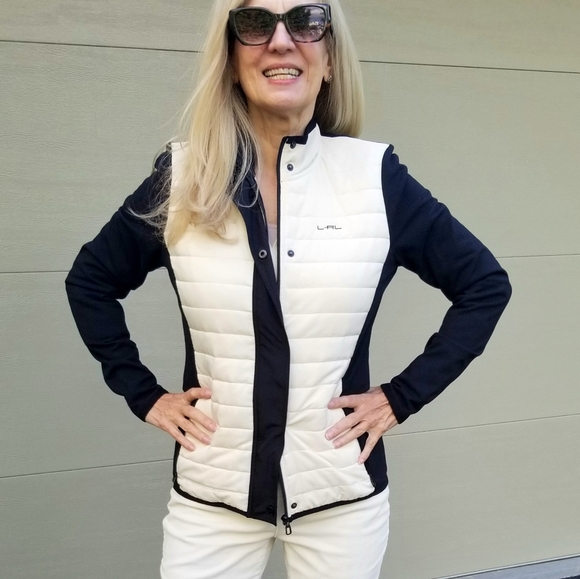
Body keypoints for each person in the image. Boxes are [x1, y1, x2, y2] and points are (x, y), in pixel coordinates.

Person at [65, 1, 512, 578]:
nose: (281, 41)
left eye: (305, 21)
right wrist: (144, 394)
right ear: (230, 60)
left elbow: (483, 284)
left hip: (340, 496)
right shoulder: (185, 177)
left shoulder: (374, 178)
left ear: (329, 59)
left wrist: (401, 397)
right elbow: (91, 280)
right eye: (255, 24)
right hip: (213, 498)